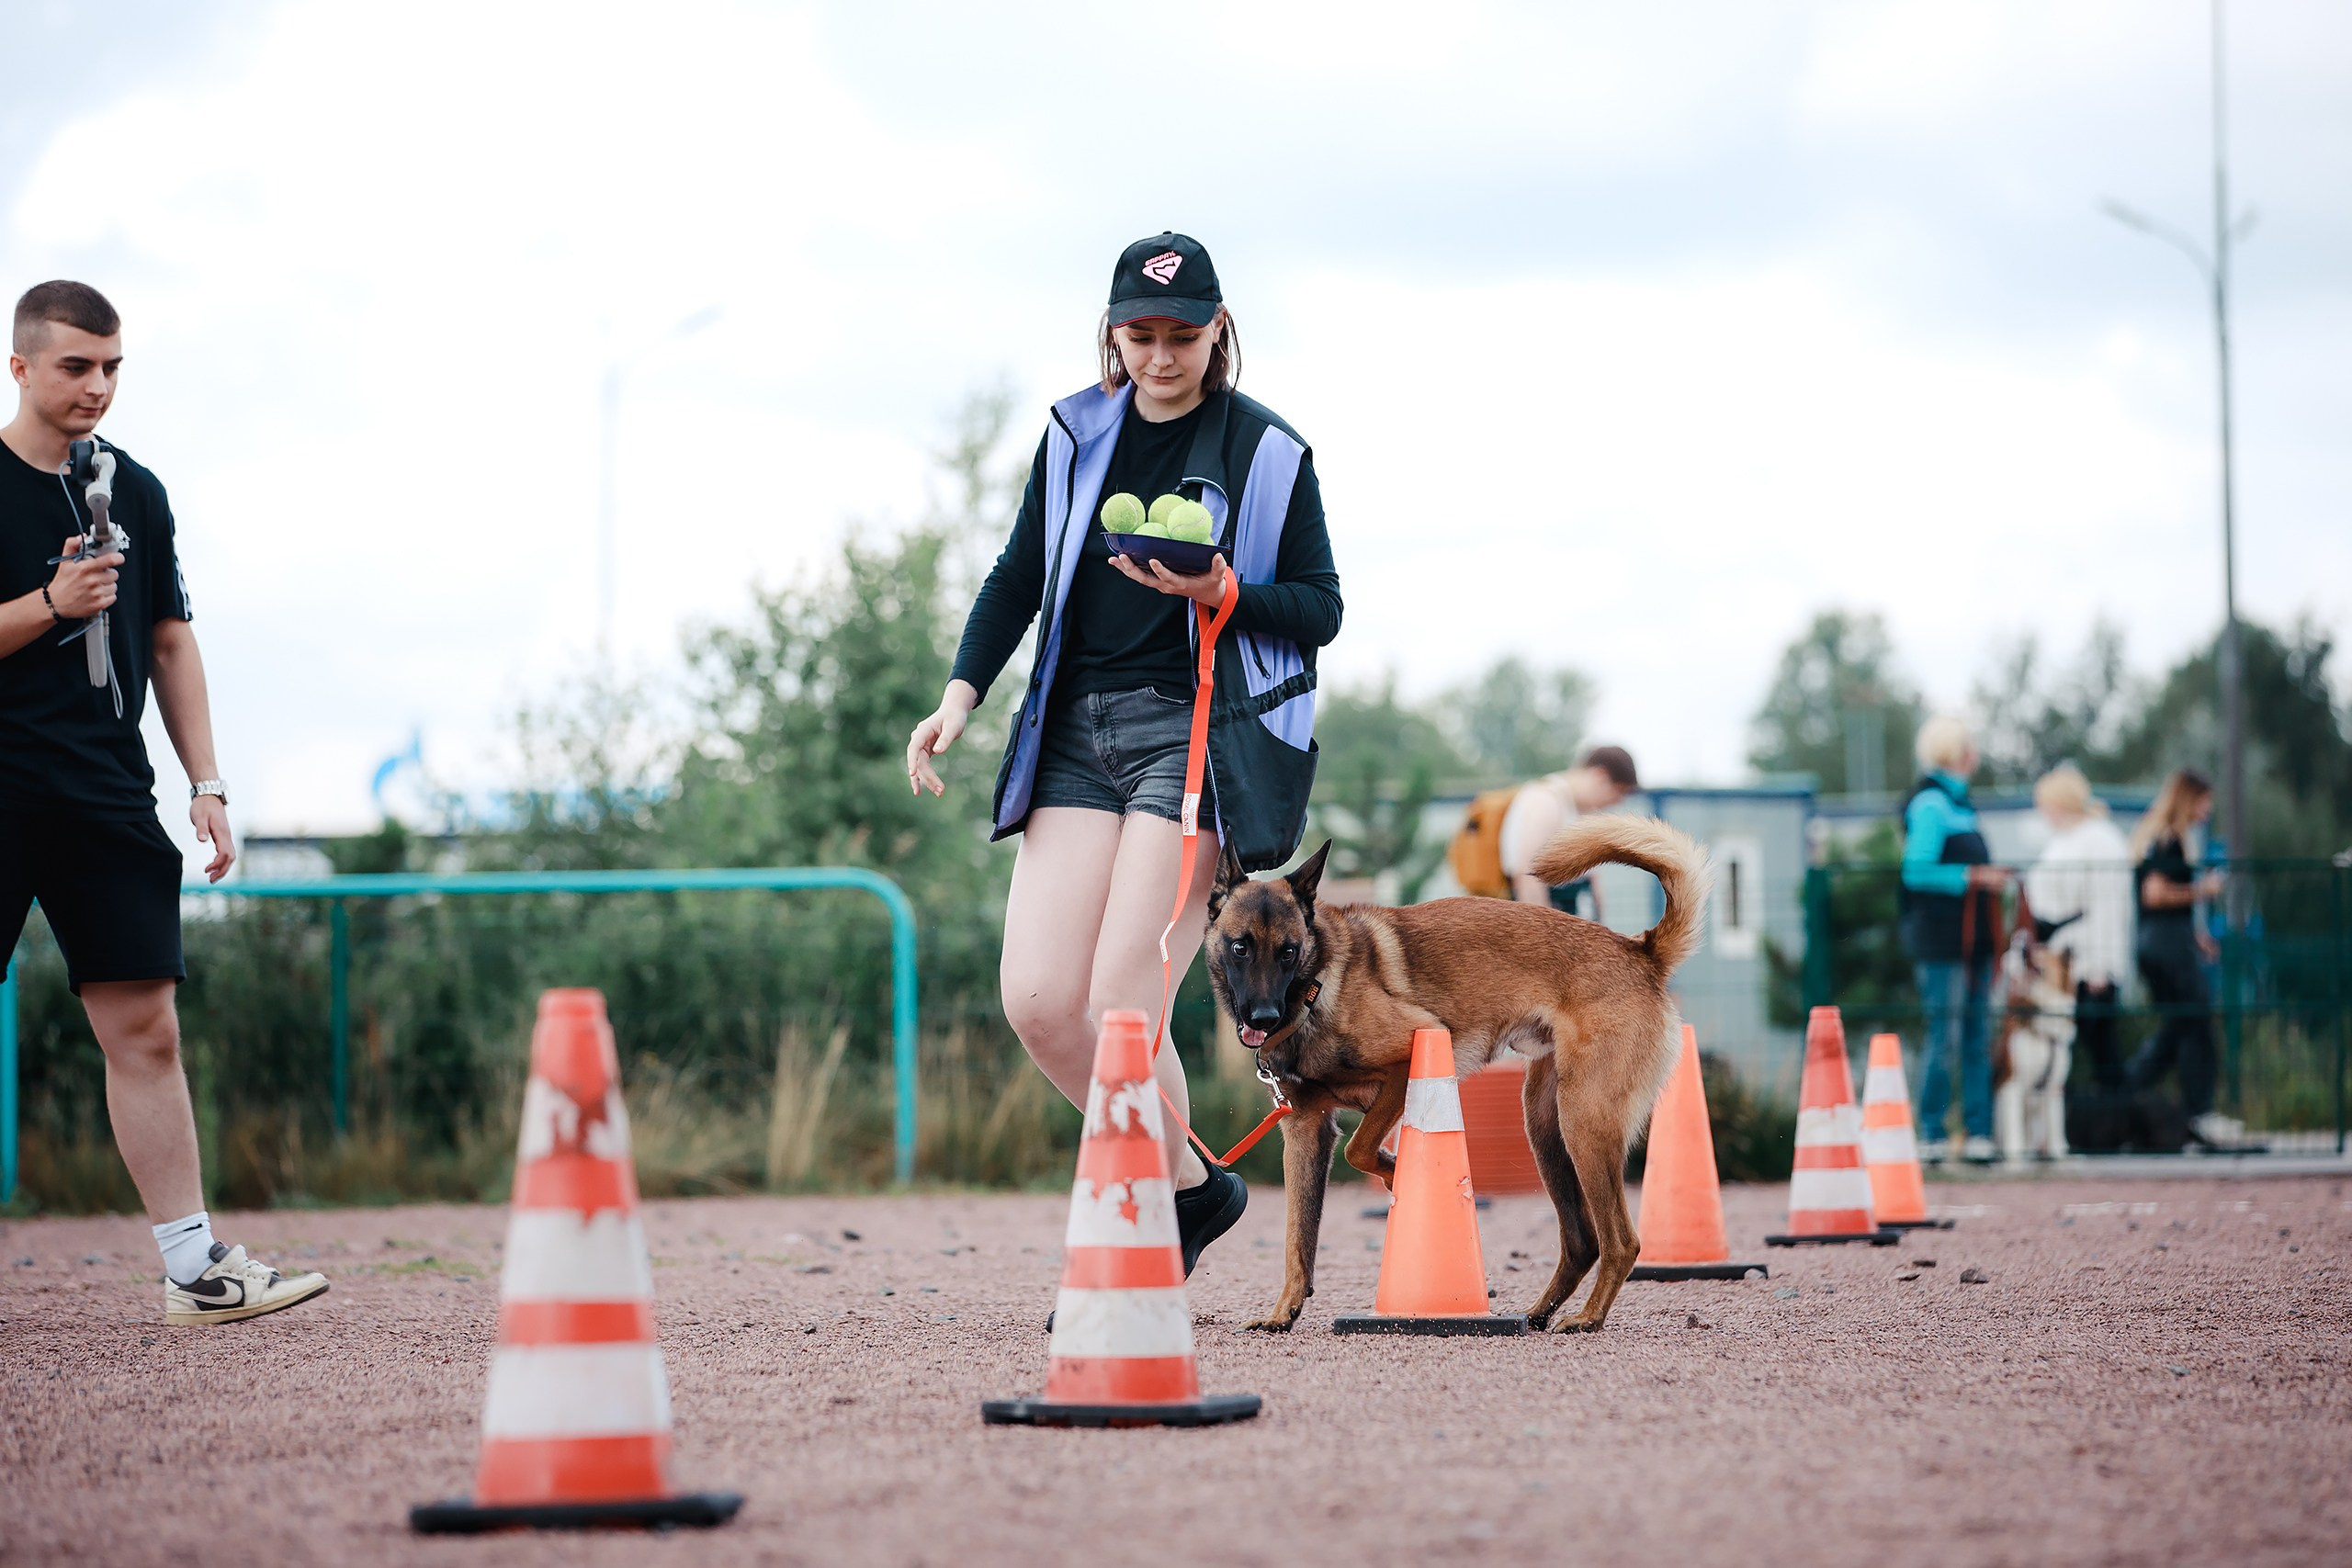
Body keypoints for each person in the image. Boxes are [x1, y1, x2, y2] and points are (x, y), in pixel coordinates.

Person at [905, 233, 1340, 1274]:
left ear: (1217, 330)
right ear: (1111, 335)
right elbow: (1017, 577)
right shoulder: (1071, 434)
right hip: (1070, 734)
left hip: (1187, 739)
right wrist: (958, 699)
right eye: (1137, 336)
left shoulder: (1267, 451)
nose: (1158, 356)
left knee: (1119, 1003)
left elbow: (1320, 607)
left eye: (1180, 336)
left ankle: (1138, 1235)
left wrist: (1223, 593)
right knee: (1042, 1004)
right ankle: (1195, 1188)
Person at [2, 281, 325, 1324]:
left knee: (145, 1028)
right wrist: (51, 603)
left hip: (104, 791)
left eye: (111, 368)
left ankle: (197, 1272)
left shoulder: (132, 489)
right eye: (75, 367)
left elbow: (172, 639)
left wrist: (209, 784)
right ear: (20, 367)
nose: (97, 387)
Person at [1897, 715, 2010, 1165]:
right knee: (1945, 1035)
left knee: (1977, 1036)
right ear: (1957, 753)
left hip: (1976, 940)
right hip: (1943, 942)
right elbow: (1915, 871)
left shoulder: (1962, 804)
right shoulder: (1930, 804)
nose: (1976, 755)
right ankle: (1932, 1133)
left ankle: (1979, 1133)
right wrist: (1973, 876)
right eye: (1970, 746)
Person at [2126, 767, 2240, 1147]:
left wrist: (2196, 935)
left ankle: (2127, 1095)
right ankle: (2198, 1113)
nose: (2208, 809)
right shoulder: (2168, 841)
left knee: (2176, 1028)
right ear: (2190, 799)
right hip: (2165, 946)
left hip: (2162, 942)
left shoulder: (2162, 838)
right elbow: (2155, 895)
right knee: (2196, 1024)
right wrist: (2202, 891)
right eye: (2205, 801)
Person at [2024, 763, 2133, 1089]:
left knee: (2100, 1048)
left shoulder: (2099, 840)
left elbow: (2108, 907)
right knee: (2076, 1048)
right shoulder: (2064, 841)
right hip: (2061, 963)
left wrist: (2102, 967)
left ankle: (2119, 1120)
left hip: (2089, 964)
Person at [1498, 745, 1639, 915]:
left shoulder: (1583, 809)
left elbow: (1591, 877)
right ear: (1600, 776)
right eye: (1619, 792)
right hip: (1548, 924)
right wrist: (1543, 936)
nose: (1617, 801)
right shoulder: (1545, 801)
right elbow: (1527, 876)